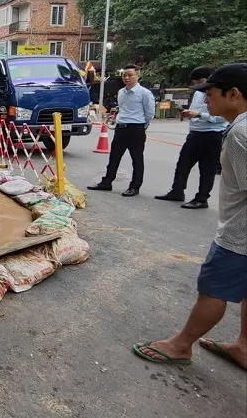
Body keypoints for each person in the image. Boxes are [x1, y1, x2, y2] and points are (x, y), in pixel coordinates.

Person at [132, 63, 247, 369]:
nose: (206, 100)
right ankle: (244, 346)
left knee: (213, 289)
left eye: (210, 93)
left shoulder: (240, 133)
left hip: (240, 235)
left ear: (233, 94)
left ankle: (181, 346)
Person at [155, 67, 228, 209]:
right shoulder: (198, 93)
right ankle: (177, 191)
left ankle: (202, 198)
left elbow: (222, 117)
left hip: (212, 134)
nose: (199, 86)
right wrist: (189, 115)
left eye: (201, 82)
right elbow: (196, 111)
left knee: (207, 169)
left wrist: (199, 115)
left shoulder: (219, 94)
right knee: (183, 164)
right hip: (195, 133)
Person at [88, 64, 156, 197]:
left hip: (136, 128)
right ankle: (107, 182)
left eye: (130, 75)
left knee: (136, 158)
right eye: (124, 75)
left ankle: (135, 186)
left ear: (138, 75)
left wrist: (142, 125)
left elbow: (149, 113)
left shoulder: (144, 93)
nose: (127, 78)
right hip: (121, 127)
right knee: (114, 156)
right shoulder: (121, 92)